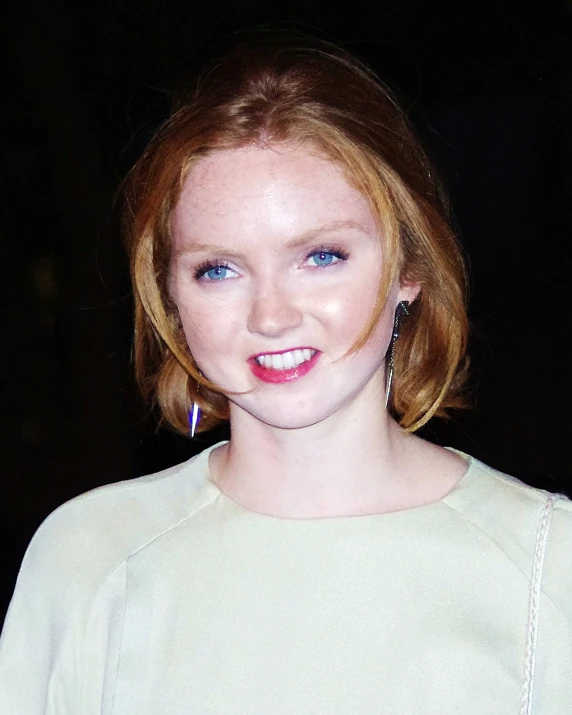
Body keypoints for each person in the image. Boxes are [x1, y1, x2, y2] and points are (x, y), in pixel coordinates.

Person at [0, 34, 570, 715]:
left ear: (409, 267)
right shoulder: (89, 558)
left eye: (321, 256)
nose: (271, 315)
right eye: (219, 268)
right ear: (172, 300)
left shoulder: (548, 566)